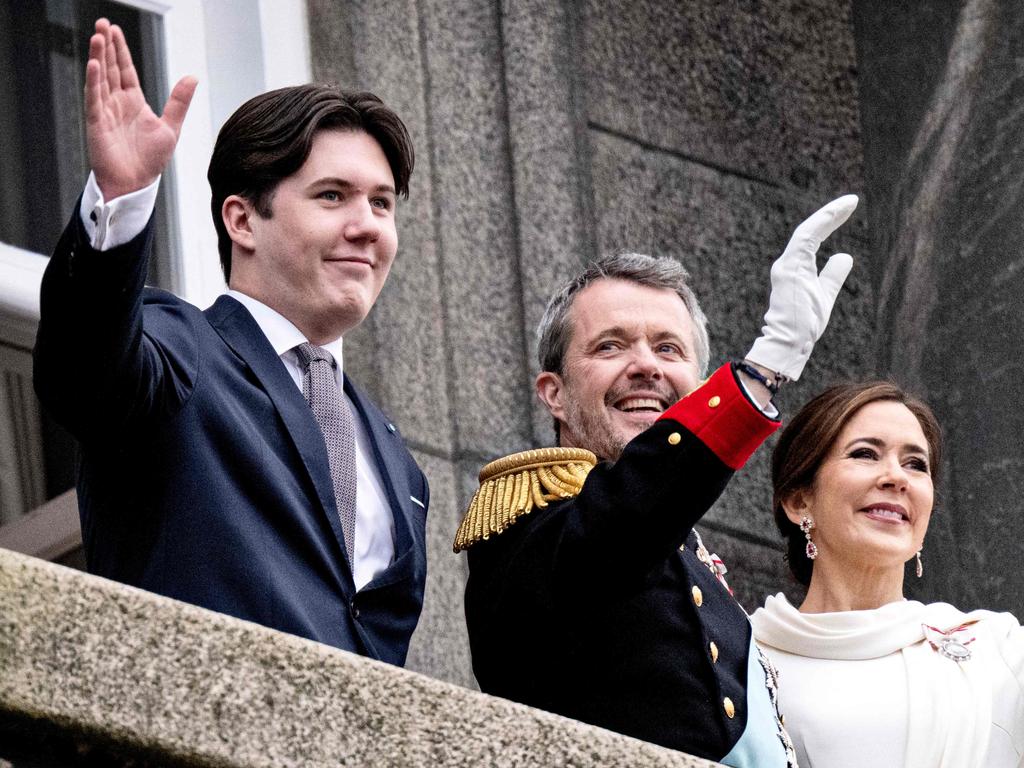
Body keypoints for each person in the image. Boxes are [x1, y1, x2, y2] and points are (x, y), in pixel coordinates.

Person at [32, 19, 428, 665]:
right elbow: (84, 369)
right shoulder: (180, 351)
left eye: (382, 204)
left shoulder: (396, 461)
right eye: (333, 196)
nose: (368, 227)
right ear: (242, 219)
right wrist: (122, 200)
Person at [457, 195, 859, 766]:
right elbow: (624, 523)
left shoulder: (692, 557)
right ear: (555, 394)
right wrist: (760, 372)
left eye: (668, 348)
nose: (646, 365)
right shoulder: (528, 523)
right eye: (611, 345)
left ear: (696, 386)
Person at [751, 383, 1024, 768]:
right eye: (865, 454)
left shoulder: (998, 650)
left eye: (916, 464)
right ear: (799, 500)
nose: (897, 477)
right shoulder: (743, 660)